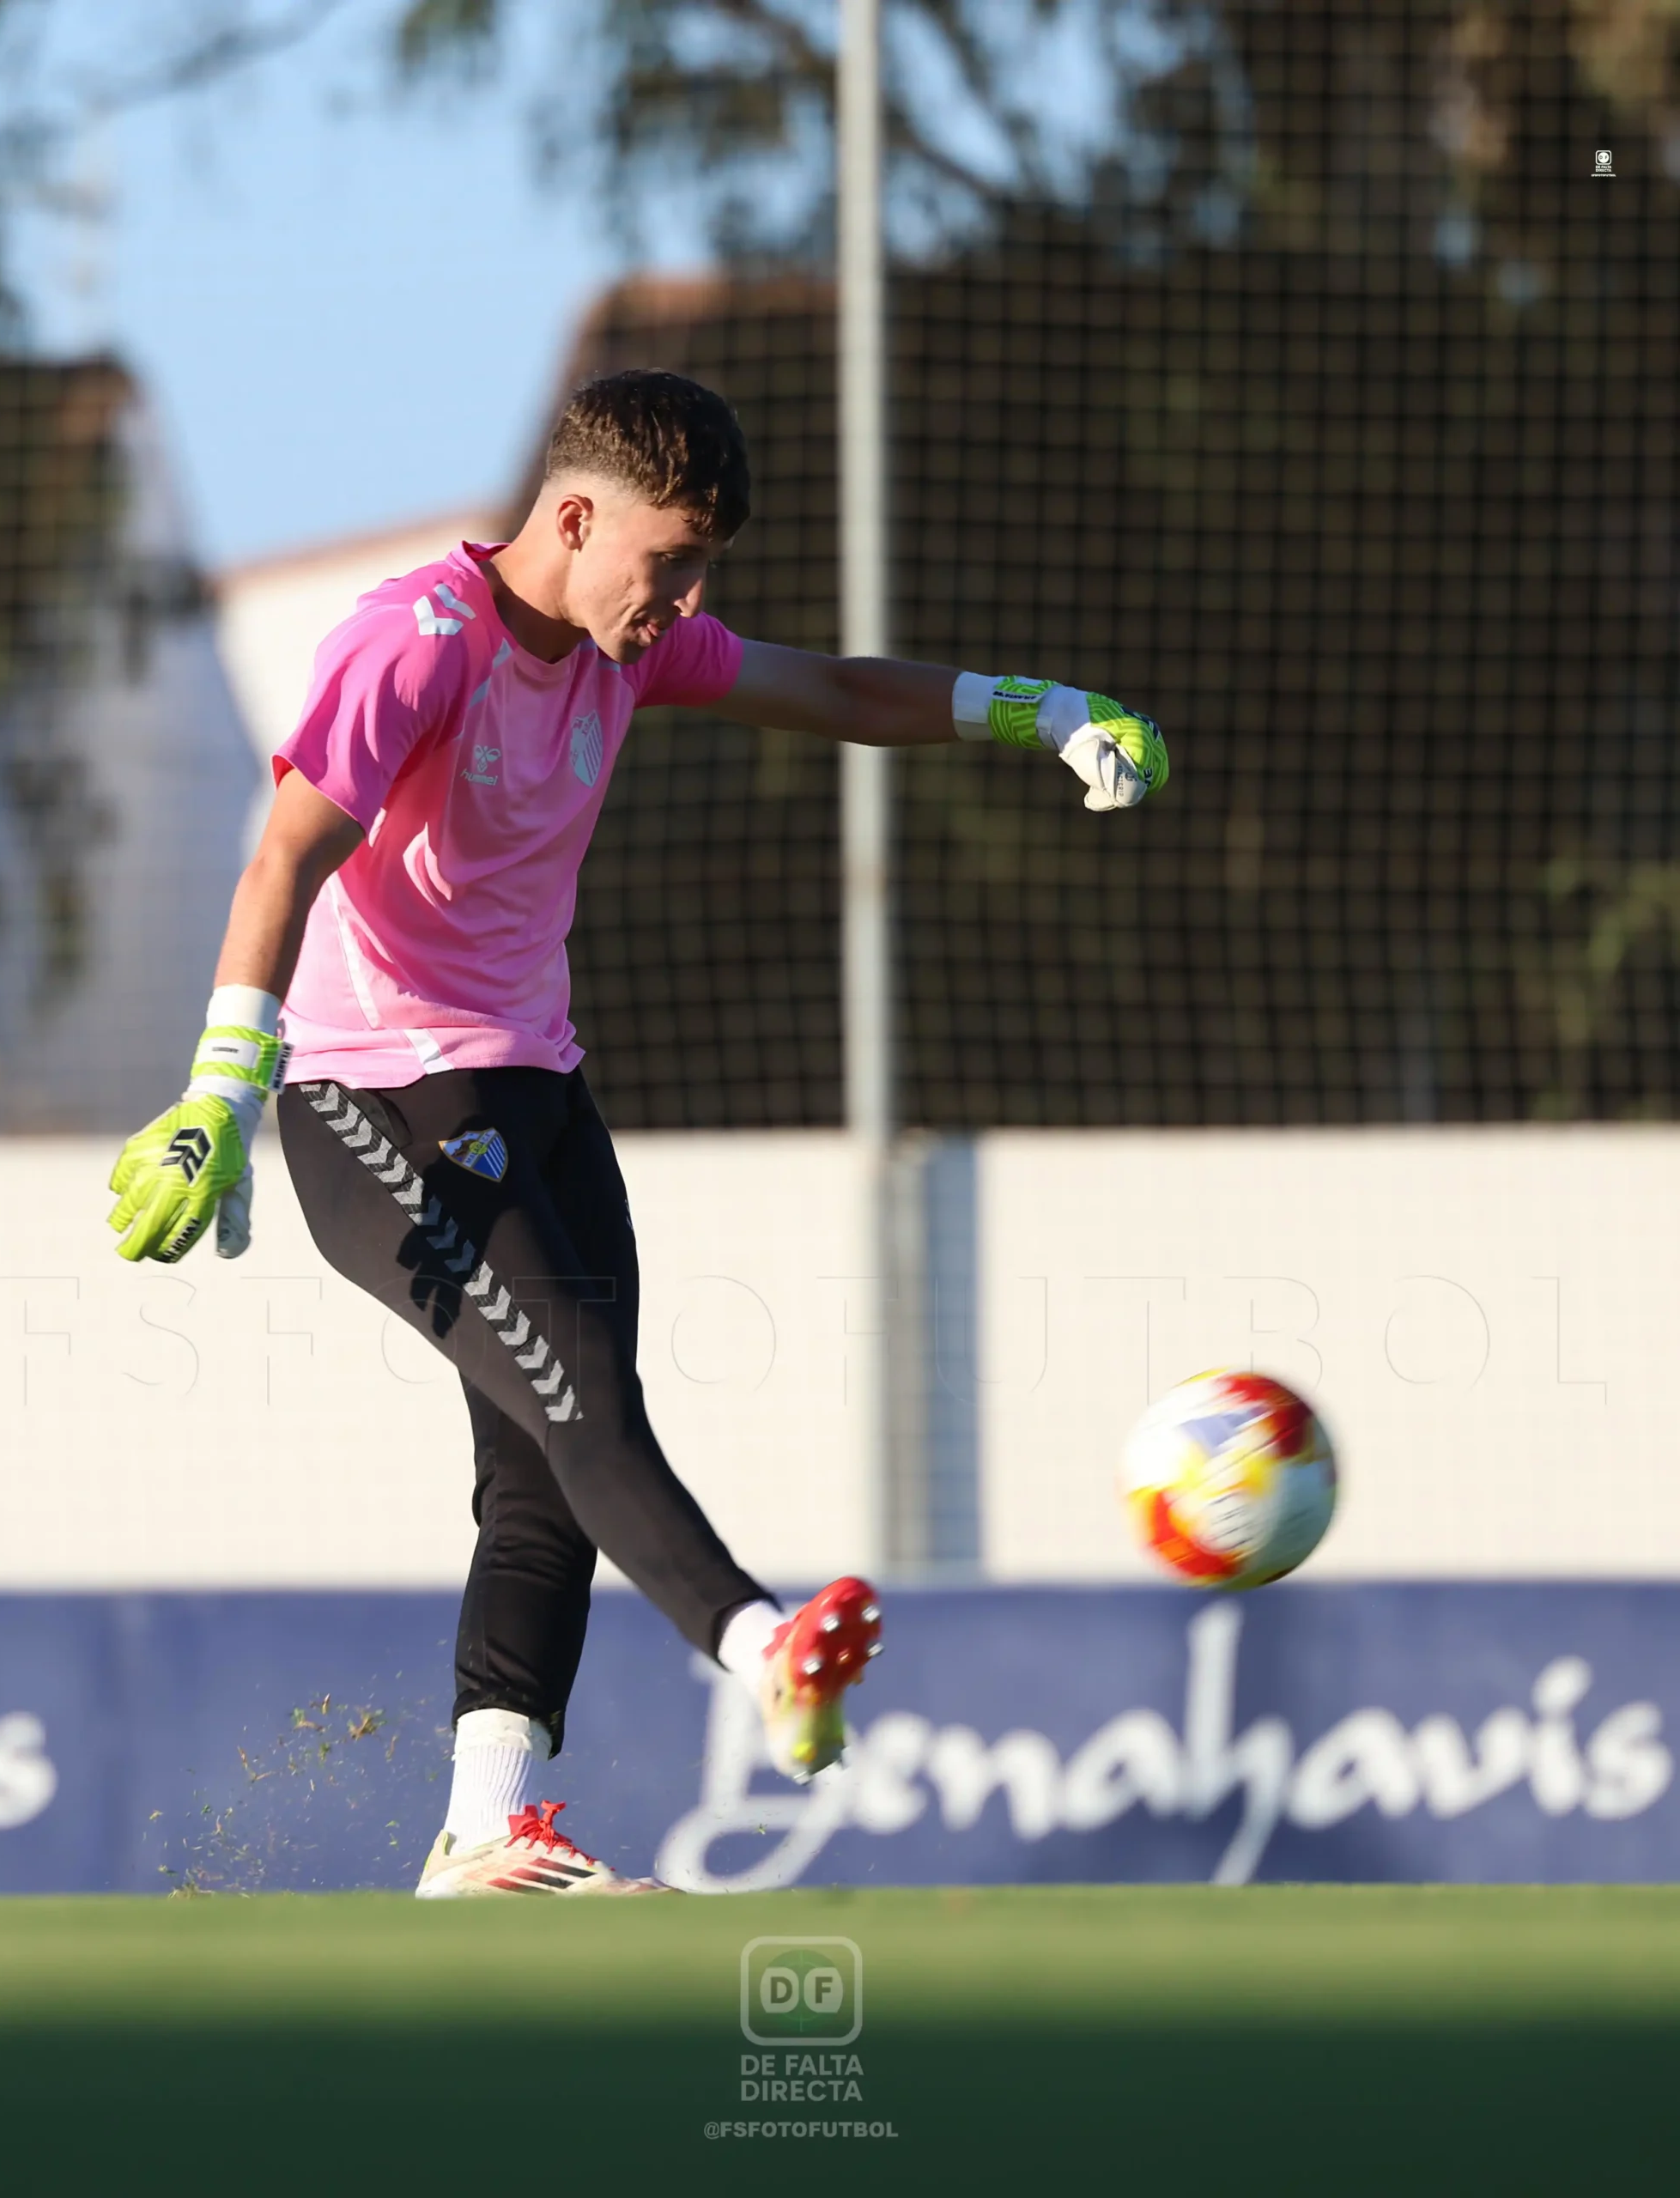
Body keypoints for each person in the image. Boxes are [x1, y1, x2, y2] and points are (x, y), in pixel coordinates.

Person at [106, 369, 1168, 1897]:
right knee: (582, 1395)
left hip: (537, 1086)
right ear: (576, 513)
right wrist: (218, 1092)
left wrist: (1044, 711)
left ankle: (482, 1831)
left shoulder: (627, 652)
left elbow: (837, 689)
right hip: (369, 1096)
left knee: (544, 1468)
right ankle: (762, 1645)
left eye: (701, 570)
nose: (683, 600)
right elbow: (284, 853)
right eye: (668, 561)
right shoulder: (417, 645)